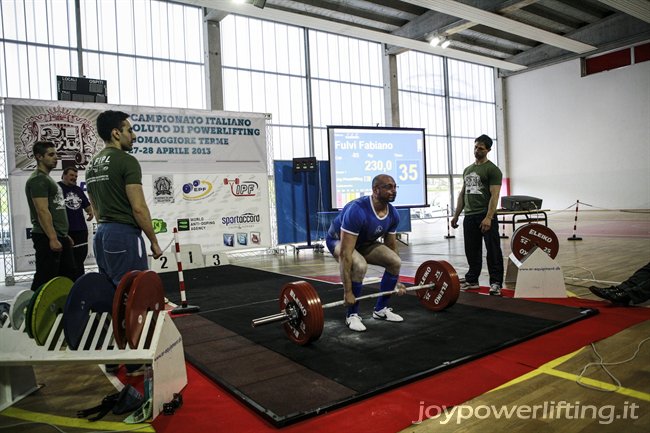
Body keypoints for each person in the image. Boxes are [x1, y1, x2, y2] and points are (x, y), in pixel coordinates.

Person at [86, 110, 162, 376]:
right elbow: (139, 208)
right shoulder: (126, 161)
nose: (134, 134)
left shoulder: (92, 165)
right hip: (123, 235)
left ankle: (111, 355)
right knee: (133, 295)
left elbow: (94, 210)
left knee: (111, 296)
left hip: (102, 234)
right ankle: (132, 361)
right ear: (116, 133)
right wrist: (153, 240)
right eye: (129, 129)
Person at [325, 174, 406, 332]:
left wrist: (396, 280)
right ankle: (352, 314)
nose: (394, 190)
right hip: (337, 241)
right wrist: (347, 292)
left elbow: (391, 247)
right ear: (375, 190)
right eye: (389, 187)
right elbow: (346, 255)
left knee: (395, 261)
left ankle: (381, 310)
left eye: (395, 187)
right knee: (360, 265)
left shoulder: (393, 214)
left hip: (363, 242)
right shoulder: (358, 210)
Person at [450, 134, 504, 296]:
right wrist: (456, 215)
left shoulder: (493, 170)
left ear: (488, 150)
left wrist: (489, 217)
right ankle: (472, 280)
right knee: (471, 250)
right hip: (470, 216)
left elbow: (495, 195)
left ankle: (495, 283)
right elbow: (462, 194)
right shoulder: (468, 170)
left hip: (485, 215)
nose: (477, 150)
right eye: (475, 147)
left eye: (481, 148)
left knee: (493, 250)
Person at [25, 141, 77, 290]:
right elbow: (42, 210)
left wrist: (63, 235)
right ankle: (32, 311)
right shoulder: (38, 179)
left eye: (56, 154)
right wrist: (53, 238)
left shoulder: (47, 179)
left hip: (58, 235)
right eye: (51, 154)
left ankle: (62, 310)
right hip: (46, 237)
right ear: (39, 157)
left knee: (67, 276)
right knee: (45, 280)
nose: (56, 157)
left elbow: (55, 209)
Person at [58, 167, 94, 280]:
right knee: (66, 262)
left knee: (79, 261)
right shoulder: (56, 188)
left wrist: (90, 212)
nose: (74, 178)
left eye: (76, 176)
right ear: (63, 175)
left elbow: (86, 205)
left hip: (81, 230)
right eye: (71, 175)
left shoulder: (78, 190)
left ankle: (79, 285)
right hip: (65, 231)